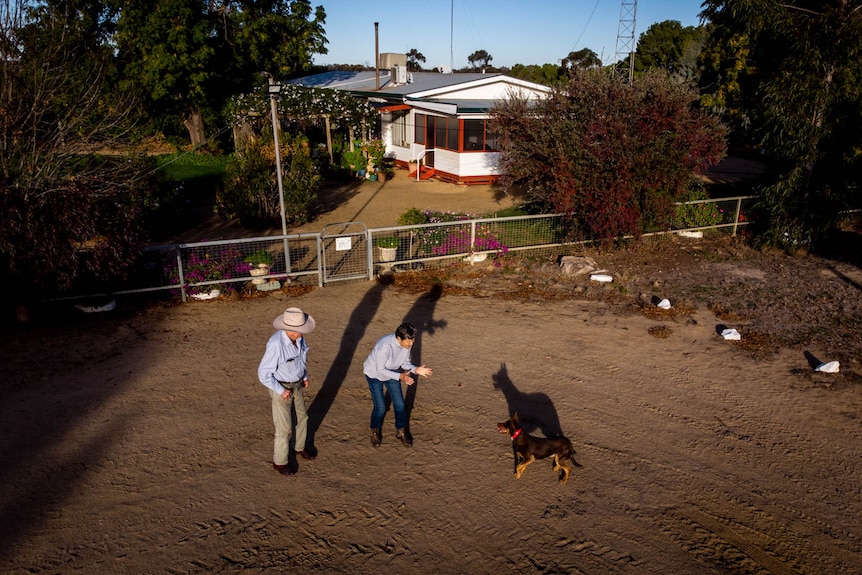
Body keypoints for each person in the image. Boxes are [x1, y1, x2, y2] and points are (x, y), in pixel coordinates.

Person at [258, 307, 316, 476]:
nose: (301, 333)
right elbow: (263, 373)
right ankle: (280, 461)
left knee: (302, 417)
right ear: (289, 329)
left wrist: (304, 376)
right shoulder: (276, 344)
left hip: (296, 384)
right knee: (283, 427)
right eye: (299, 331)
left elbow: (301, 358)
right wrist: (280, 389)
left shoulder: (299, 339)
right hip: (281, 386)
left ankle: (300, 447)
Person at [363, 322, 432, 447]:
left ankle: (401, 431)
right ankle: (375, 430)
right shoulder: (384, 347)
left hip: (392, 372)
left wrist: (415, 369)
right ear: (399, 338)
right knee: (381, 407)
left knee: (400, 404)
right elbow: (380, 370)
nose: (411, 344)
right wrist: (401, 377)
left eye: (413, 341)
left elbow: (404, 363)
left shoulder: (407, 343)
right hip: (374, 375)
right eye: (408, 342)